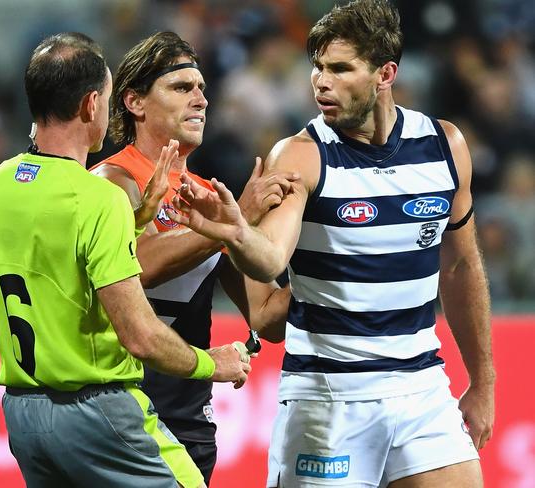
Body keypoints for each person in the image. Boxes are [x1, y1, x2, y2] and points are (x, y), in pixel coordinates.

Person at [169, 1, 495, 486]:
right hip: (328, 397)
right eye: (318, 67)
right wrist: (237, 232)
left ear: (386, 73)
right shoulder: (301, 155)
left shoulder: (445, 146)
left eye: (340, 68)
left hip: (422, 389)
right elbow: (272, 259)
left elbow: (461, 267)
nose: (321, 81)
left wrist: (483, 383)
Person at [0, 32, 252, 488]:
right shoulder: (97, 197)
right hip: (97, 409)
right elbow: (139, 336)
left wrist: (137, 219)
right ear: (90, 105)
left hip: (24, 415)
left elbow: (58, 267)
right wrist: (210, 363)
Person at [89, 31, 293, 485]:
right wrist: (228, 225)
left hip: (187, 416)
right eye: (182, 88)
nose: (200, 99)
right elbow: (137, 264)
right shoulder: (110, 181)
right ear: (135, 102)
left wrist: (330, 268)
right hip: (121, 409)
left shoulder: (206, 197)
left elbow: (266, 317)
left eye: (202, 88)